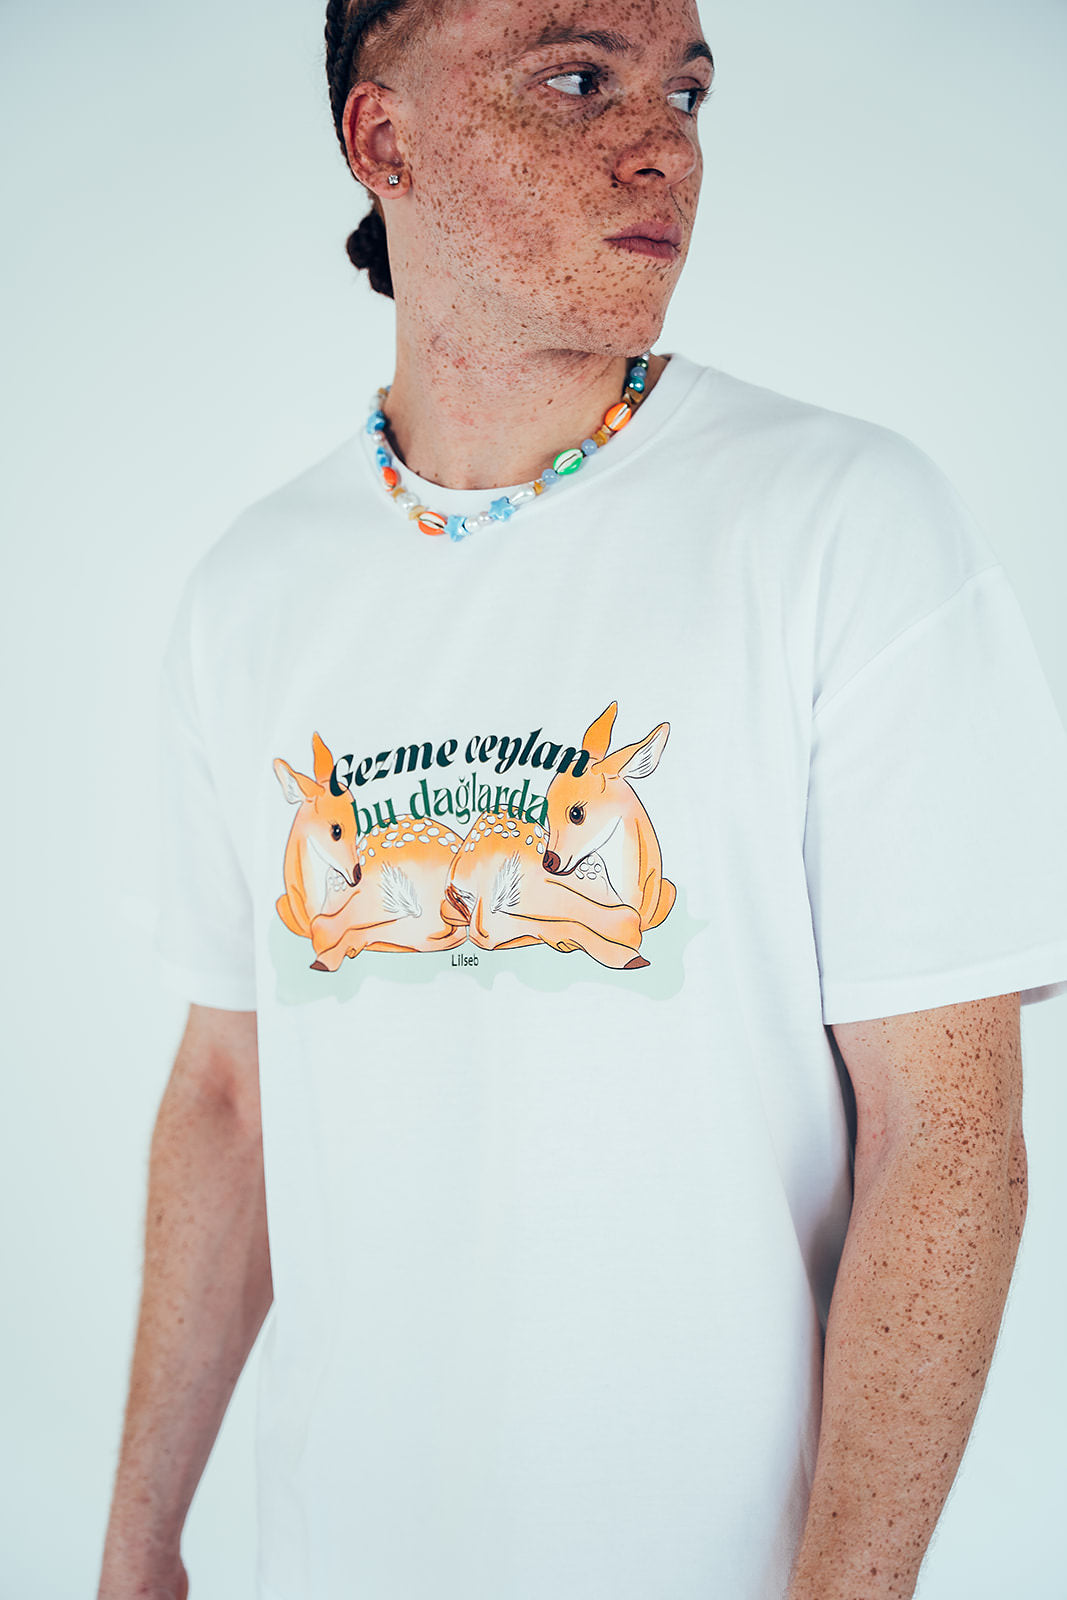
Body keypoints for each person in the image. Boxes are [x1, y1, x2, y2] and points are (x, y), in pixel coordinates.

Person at [97, 1, 1067, 1596]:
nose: (661, 142)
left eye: (687, 89)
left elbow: (947, 1134)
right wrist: (136, 1547)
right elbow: (227, 1099)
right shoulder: (253, 589)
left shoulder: (844, 524)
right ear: (383, 140)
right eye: (576, 78)